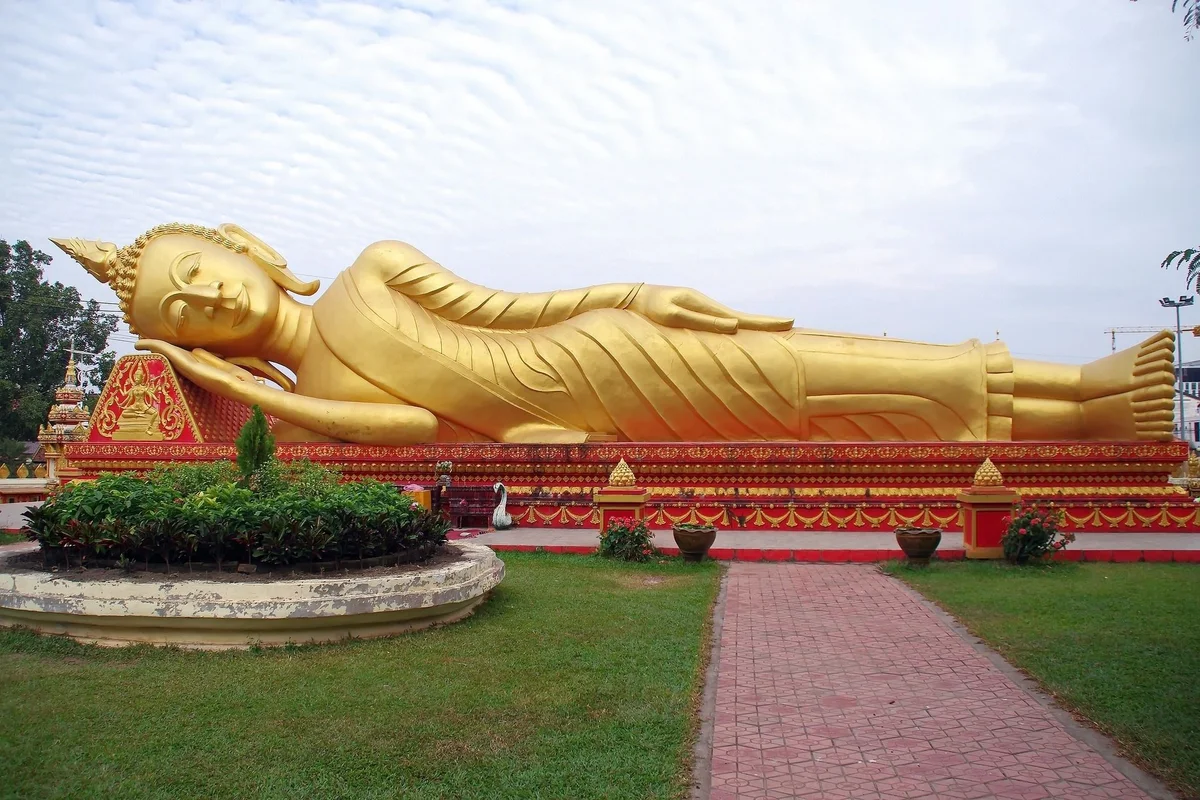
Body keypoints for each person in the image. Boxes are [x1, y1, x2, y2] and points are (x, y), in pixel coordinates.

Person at [52, 223, 1176, 445]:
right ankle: (1087, 425)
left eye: (199, 273)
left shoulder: (372, 268)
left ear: (243, 246)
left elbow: (508, 308)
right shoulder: (321, 394)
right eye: (182, 317)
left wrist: (642, 292)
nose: (206, 300)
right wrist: (259, 393)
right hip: (579, 418)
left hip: (601, 347)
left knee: (804, 360)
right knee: (801, 416)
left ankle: (1083, 382)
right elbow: (414, 427)